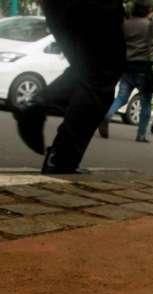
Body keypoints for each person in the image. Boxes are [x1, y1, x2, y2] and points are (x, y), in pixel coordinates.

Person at [12, 0, 125, 174]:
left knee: (87, 68)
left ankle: (35, 104)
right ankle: (62, 159)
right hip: (97, 7)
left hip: (57, 6)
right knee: (101, 76)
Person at [99, 0, 153, 142]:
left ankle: (106, 116)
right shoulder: (152, 26)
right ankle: (141, 135)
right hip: (145, 69)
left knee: (121, 97)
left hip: (126, 67)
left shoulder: (125, 24)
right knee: (145, 102)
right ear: (149, 10)